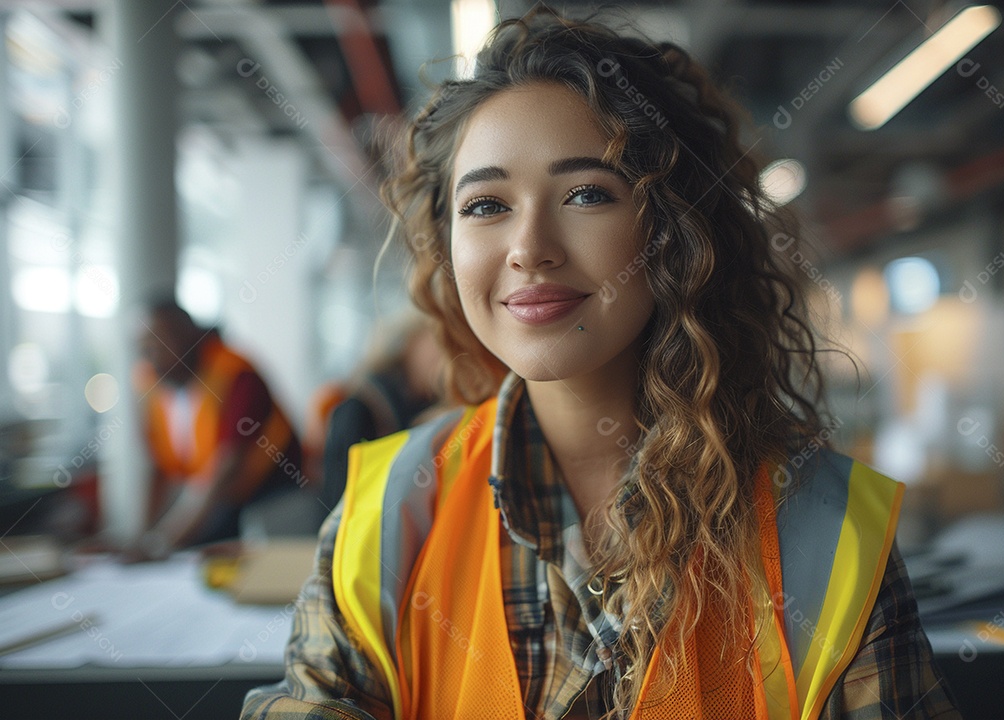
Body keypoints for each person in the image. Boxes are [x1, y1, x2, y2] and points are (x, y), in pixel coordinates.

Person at [243, 10, 961, 719]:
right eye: (487, 205)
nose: (529, 246)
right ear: (446, 245)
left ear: (677, 232)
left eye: (587, 193)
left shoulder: (825, 529)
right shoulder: (389, 511)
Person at [130, 300, 302, 559]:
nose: (153, 356)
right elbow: (156, 469)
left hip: (268, 500)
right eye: (144, 348)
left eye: (161, 342)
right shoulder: (153, 385)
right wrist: (142, 538)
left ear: (193, 336)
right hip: (214, 501)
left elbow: (225, 470)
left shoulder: (238, 376)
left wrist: (164, 542)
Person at [312, 316, 444, 515]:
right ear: (410, 342)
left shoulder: (434, 409)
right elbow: (338, 506)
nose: (447, 356)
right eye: (439, 340)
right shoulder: (359, 411)